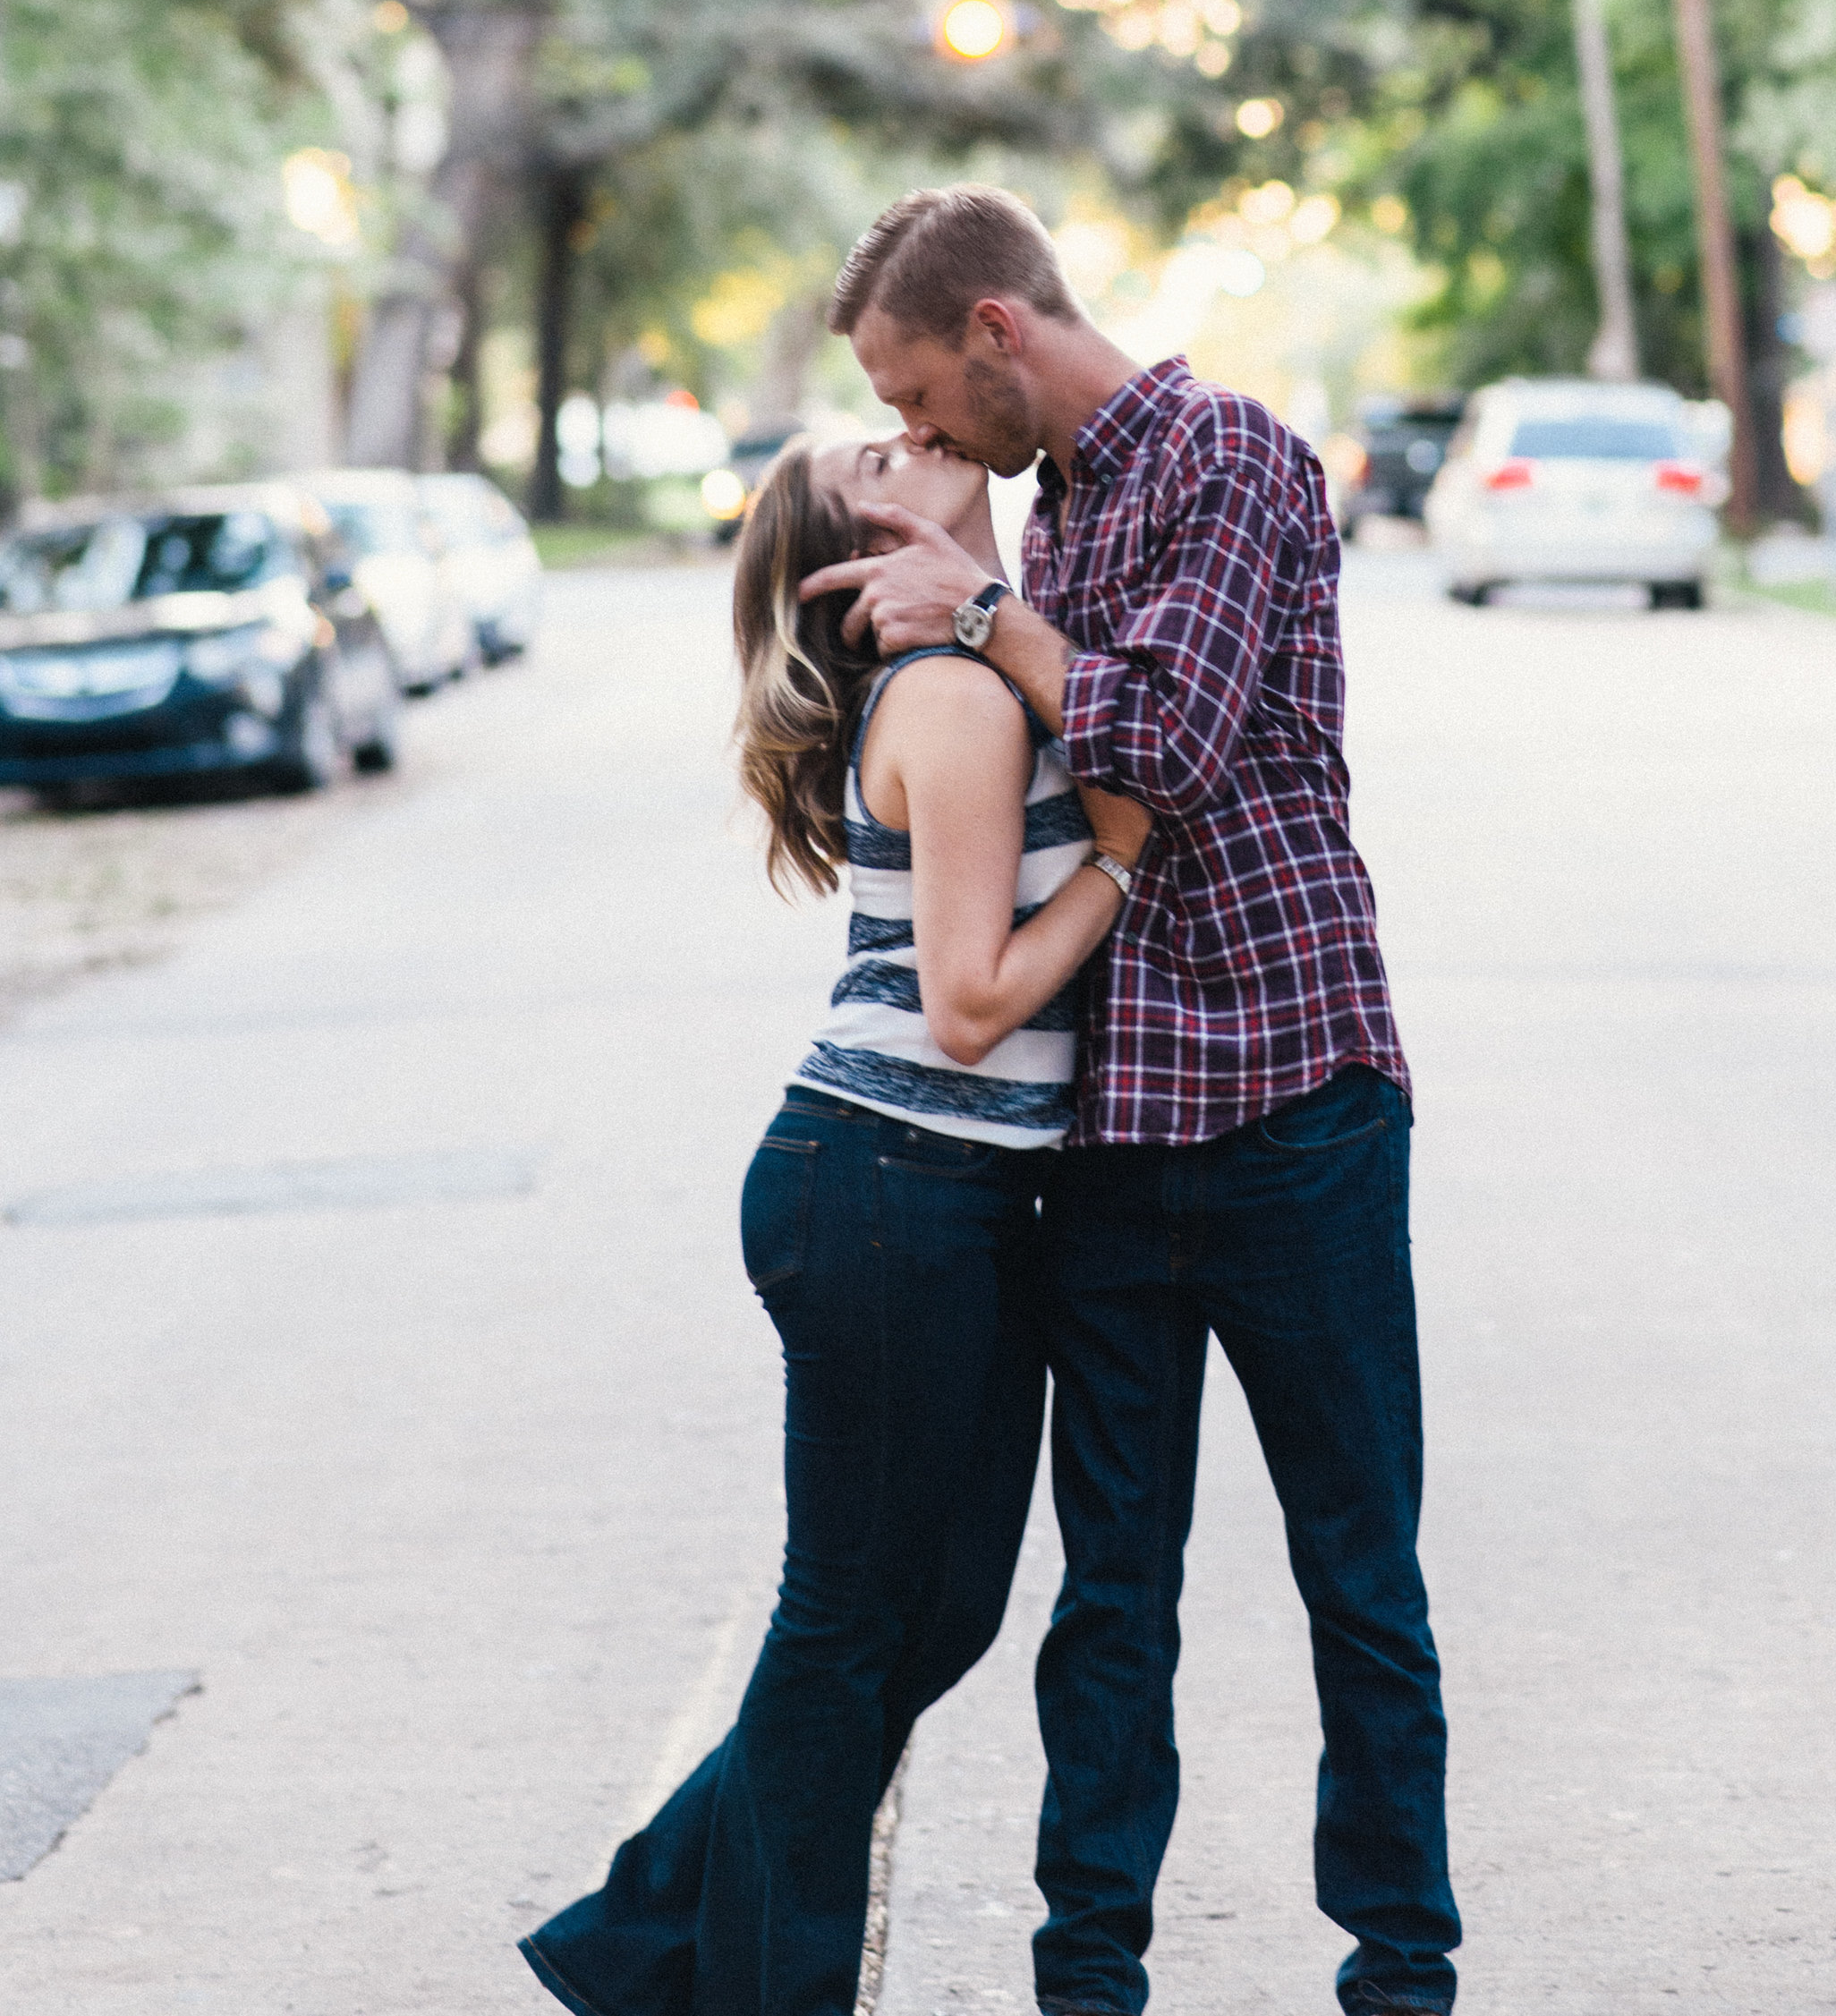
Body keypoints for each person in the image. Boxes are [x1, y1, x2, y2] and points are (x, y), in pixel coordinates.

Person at [800, 186, 1459, 2016]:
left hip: (1290, 1107)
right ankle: (1085, 1983)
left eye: (923, 397)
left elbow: (1160, 738)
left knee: (1356, 1575)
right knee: (1110, 1603)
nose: (920, 438)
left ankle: (1399, 1977)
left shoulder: (1231, 454)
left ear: (999, 329)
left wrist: (988, 607)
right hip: (1104, 1145)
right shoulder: (1049, 511)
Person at [521, 426, 1150, 2016]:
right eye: (884, 445)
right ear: (850, 548)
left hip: (948, 1201)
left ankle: (637, 1938)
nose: (924, 435)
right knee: (847, 1619)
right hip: (884, 1186)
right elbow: (968, 1003)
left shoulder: (982, 662)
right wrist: (1124, 866)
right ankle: (760, 1989)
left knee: (933, 1610)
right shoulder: (948, 698)